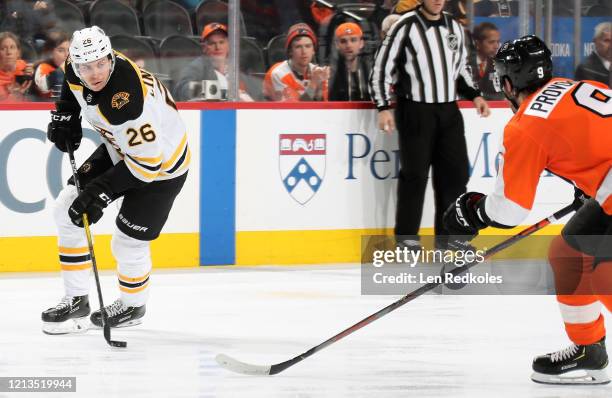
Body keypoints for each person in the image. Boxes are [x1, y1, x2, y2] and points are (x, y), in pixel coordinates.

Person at [443, 35, 611, 385]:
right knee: (568, 253)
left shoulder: (526, 125)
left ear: (507, 82)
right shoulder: (573, 85)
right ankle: (588, 350)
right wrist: (590, 185)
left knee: (603, 275)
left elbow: (509, 211)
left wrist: (471, 214)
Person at [41, 26, 190, 334]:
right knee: (67, 209)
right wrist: (67, 114)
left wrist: (101, 193)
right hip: (120, 148)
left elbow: (147, 164)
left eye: (100, 64)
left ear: (109, 57)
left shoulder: (128, 103)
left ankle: (133, 305)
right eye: (86, 66)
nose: (94, 73)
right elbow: (72, 88)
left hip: (162, 167)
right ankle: (76, 298)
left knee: (127, 240)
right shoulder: (76, 65)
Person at [369, 0, 490, 251]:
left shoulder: (454, 26)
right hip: (415, 110)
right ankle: (407, 238)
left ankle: (447, 240)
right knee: (415, 175)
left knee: (455, 176)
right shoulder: (405, 26)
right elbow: (381, 68)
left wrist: (475, 95)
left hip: (448, 110)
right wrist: (382, 107)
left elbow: (461, 69)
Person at [173, 22, 253, 101]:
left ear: (228, 45)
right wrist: (221, 92)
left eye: (221, 42)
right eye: (212, 43)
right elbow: (181, 89)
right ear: (204, 48)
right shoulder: (198, 66)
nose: (218, 47)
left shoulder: (235, 70)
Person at [263, 22, 330, 101]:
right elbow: (296, 110)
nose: (304, 51)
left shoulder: (319, 73)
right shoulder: (278, 73)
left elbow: (324, 108)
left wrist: (319, 88)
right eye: (298, 47)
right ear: (290, 51)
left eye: (308, 46)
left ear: (313, 51)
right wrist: (314, 84)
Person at [329, 22, 370, 101]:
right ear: (337, 45)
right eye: (343, 41)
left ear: (361, 43)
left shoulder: (371, 71)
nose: (348, 45)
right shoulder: (331, 74)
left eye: (353, 40)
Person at [470, 22, 504, 100]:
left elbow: (500, 94)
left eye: (498, 42)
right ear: (477, 43)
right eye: (491, 42)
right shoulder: (464, 63)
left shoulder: (497, 64)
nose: (496, 46)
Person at [32, 30, 69, 101]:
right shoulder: (44, 67)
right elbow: (43, 86)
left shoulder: (75, 68)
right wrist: (61, 71)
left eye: (69, 50)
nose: (66, 54)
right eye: (61, 50)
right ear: (50, 53)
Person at [0, 31, 33, 101]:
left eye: (12, 47)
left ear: (18, 53)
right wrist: (16, 95)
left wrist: (34, 76)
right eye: (3, 48)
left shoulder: (23, 66)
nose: (9, 52)